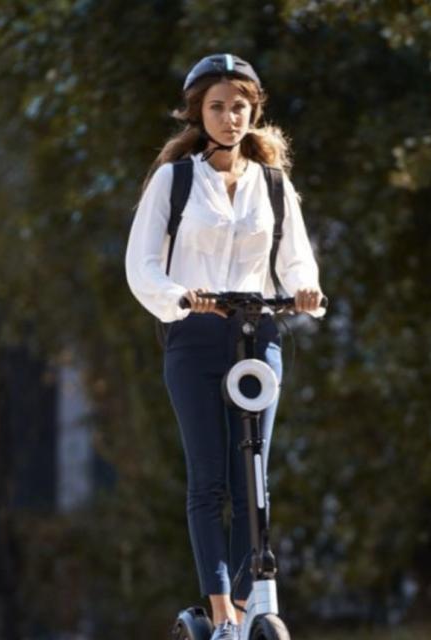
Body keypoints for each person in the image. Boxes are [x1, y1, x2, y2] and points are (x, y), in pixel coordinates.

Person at [125, 53, 326, 640]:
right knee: (210, 478)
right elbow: (140, 266)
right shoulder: (176, 180)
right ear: (199, 113)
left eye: (240, 106)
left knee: (252, 478)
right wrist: (180, 296)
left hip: (259, 337)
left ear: (253, 111)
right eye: (217, 106)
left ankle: (240, 610)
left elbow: (296, 262)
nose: (230, 117)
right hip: (195, 337)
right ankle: (219, 615)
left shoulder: (274, 184)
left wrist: (306, 292)